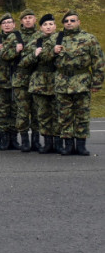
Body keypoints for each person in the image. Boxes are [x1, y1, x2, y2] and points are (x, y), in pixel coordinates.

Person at [53, 10, 104, 155]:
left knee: (82, 115)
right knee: (64, 116)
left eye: (72, 20)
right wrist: (52, 51)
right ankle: (68, 144)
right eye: (66, 21)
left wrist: (97, 83)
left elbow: (98, 62)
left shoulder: (89, 39)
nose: (69, 23)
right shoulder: (56, 38)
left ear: (79, 22)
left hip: (82, 81)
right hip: (63, 82)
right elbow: (43, 57)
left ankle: (81, 144)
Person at [6, 9, 40, 151]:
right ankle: (25, 140)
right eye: (25, 18)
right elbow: (4, 55)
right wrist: (15, 51)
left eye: (30, 17)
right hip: (21, 78)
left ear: (35, 19)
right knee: (22, 111)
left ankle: (36, 141)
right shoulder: (14, 36)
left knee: (37, 111)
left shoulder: (41, 35)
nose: (27, 20)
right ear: (21, 21)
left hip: (38, 79)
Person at [26, 14, 58, 154]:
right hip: (40, 81)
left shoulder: (62, 39)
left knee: (57, 113)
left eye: (51, 24)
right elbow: (24, 61)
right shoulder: (35, 41)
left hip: (58, 81)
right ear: (40, 27)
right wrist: (35, 54)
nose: (48, 27)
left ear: (55, 26)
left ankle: (57, 142)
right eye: (45, 25)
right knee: (43, 114)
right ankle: (47, 143)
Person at [0, 14, 17, 150]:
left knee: (15, 110)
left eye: (9, 22)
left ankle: (14, 138)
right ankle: (3, 138)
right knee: (2, 111)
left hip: (15, 79)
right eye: (4, 23)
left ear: (14, 24)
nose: (7, 24)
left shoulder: (19, 38)